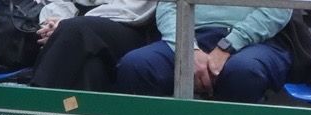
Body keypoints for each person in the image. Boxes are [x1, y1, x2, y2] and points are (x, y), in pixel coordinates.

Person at [116, 0, 292, 102]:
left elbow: (277, 10)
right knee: (136, 66)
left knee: (243, 72)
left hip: (255, 42)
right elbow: (168, 7)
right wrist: (189, 49)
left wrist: (228, 46)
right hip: (189, 34)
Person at [29, 0, 159, 92]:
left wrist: (67, 25)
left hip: (129, 25)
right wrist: (56, 21)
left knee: (74, 30)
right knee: (91, 67)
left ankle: (33, 108)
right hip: (77, 24)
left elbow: (133, 9)